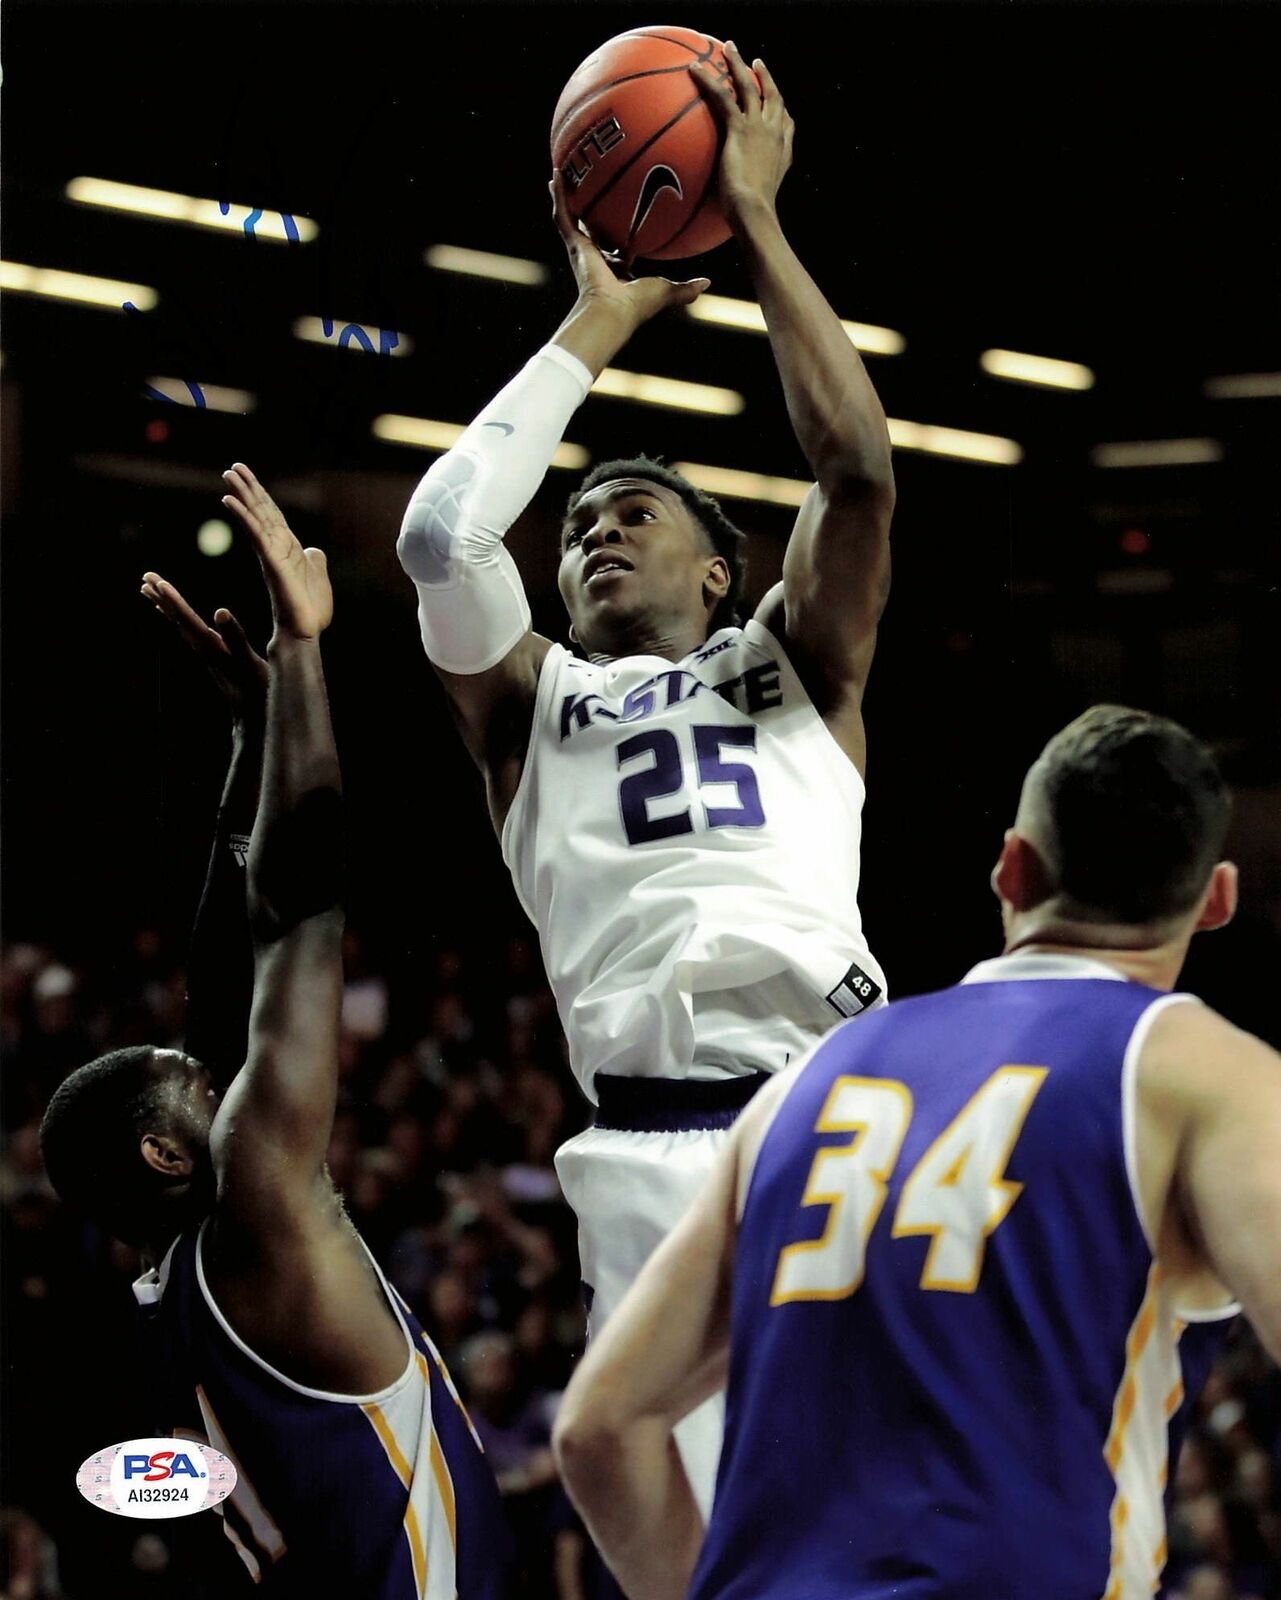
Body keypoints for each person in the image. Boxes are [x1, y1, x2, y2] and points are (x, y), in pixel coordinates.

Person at [395, 44, 894, 1505]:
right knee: (713, 1550)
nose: (594, 533)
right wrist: (590, 327)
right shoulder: (526, 705)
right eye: (577, 526)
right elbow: (440, 540)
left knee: (900, 1533)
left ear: (720, 563)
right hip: (655, 1152)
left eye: (632, 511)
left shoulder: (796, 659)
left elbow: (857, 473)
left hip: (840, 1107)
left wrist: (758, 225)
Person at [551, 705, 1281, 1600]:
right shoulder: (1200, 1072)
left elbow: (599, 1425)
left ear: (1010, 870)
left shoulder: (804, 1082)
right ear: (1216, 902)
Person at [40, 466, 509, 1599]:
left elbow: (220, 989)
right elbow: (304, 905)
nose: (219, 1072)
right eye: (193, 1084)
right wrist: (303, 656)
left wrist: (253, 736)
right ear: (165, 1151)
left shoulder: (182, 1285)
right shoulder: (255, 1197)